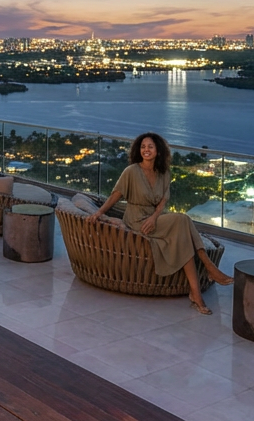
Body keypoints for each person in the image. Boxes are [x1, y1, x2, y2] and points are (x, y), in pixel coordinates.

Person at [90, 132, 233, 315]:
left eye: (150, 146)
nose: (146, 150)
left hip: (154, 218)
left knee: (182, 235)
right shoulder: (131, 171)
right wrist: (99, 213)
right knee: (183, 220)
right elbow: (115, 195)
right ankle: (208, 268)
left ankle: (196, 293)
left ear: (158, 151)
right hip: (136, 219)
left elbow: (163, 200)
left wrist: (154, 217)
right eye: (143, 147)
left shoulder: (164, 173)